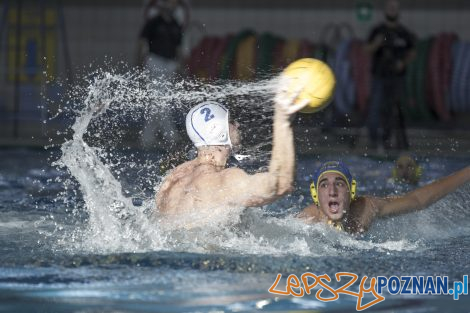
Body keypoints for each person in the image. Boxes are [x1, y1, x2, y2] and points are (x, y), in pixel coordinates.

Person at [154, 85, 309, 228]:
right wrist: (283, 121)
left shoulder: (171, 180)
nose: (237, 125)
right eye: (231, 121)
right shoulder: (225, 181)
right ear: (220, 131)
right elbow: (282, 183)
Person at [298, 160, 470, 234]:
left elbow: (417, 200)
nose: (332, 191)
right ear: (315, 194)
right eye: (324, 185)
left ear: (351, 191)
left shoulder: (367, 207)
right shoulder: (309, 219)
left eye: (340, 183)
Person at [137, 0, 188, 149]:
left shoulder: (176, 25)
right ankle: (170, 136)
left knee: (160, 101)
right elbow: (142, 42)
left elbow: (179, 47)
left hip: (170, 63)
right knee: (160, 100)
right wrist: (139, 62)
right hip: (155, 61)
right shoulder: (154, 22)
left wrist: (181, 67)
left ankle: (148, 138)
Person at [366, 0, 416, 150]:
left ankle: (395, 141)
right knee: (376, 108)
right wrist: (376, 44)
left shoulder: (404, 33)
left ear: (398, 10)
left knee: (396, 109)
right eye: (390, 7)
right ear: (385, 10)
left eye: (395, 7)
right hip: (379, 77)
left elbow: (413, 52)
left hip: (397, 78)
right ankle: (374, 141)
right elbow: (366, 50)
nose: (392, 10)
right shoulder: (377, 31)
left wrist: (403, 63)